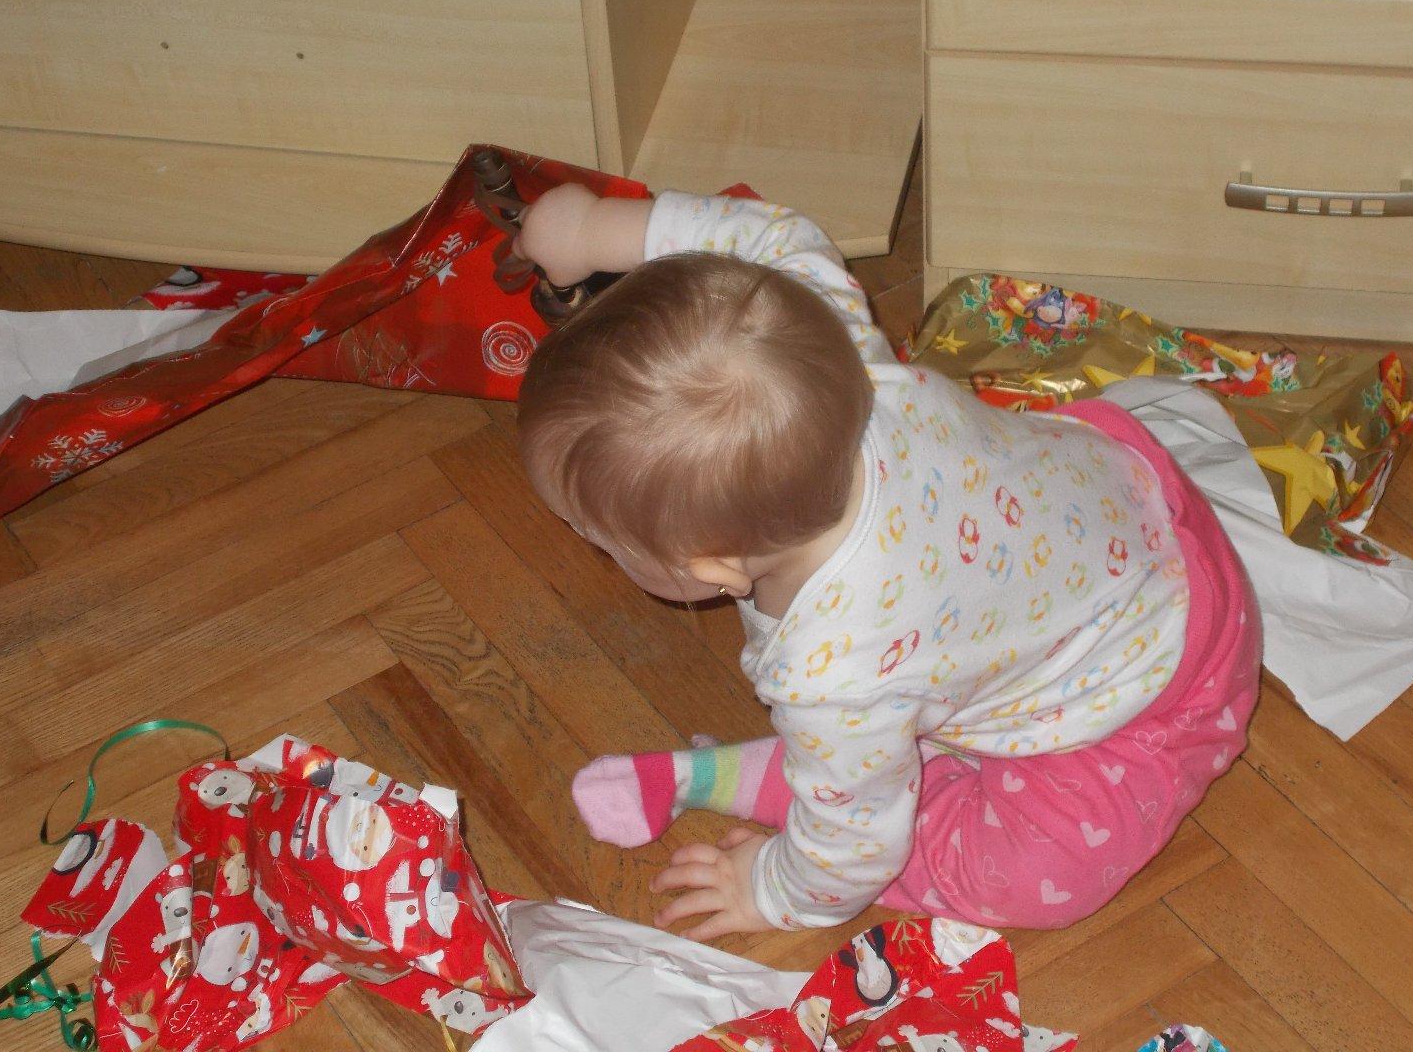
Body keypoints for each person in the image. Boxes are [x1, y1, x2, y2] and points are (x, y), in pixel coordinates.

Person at [513, 184, 1260, 940]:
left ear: (713, 572)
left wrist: (771, 890)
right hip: (1142, 502)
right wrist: (594, 229)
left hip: (1158, 688)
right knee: (870, 750)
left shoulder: (834, 675)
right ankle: (857, 767)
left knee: (1030, 875)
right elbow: (776, 237)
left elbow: (854, 850)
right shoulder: (833, 355)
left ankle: (782, 780)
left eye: (593, 536)